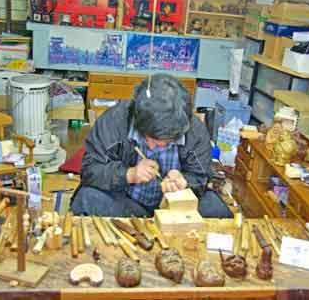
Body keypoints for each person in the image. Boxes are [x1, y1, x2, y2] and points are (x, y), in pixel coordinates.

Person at [71, 74, 233, 218]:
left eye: (168, 142)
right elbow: (90, 170)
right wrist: (129, 174)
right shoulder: (113, 121)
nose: (157, 148)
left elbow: (201, 177)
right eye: (153, 140)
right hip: (127, 203)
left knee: (216, 209)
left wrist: (185, 182)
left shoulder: (195, 130)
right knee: (86, 199)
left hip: (174, 207)